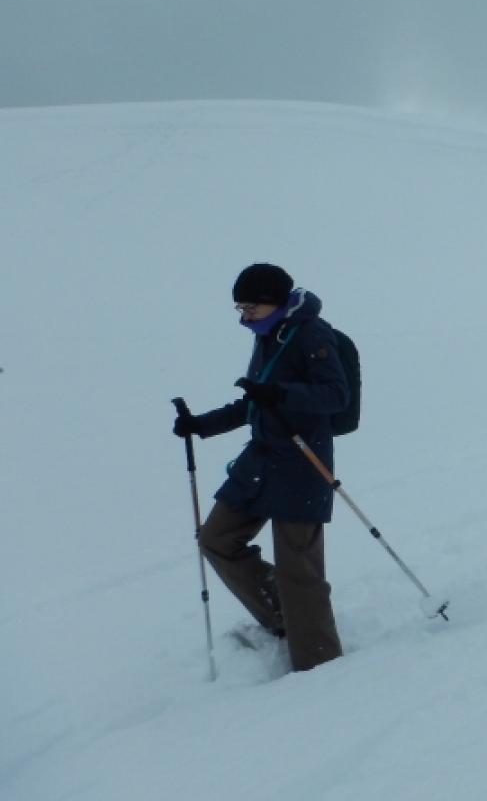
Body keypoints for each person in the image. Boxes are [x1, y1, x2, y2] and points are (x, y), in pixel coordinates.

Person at [170, 264, 349, 671]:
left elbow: (335, 395)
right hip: (261, 461)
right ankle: (285, 616)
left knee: (298, 570)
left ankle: (320, 664)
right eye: (240, 308)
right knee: (216, 539)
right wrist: (202, 425)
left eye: (250, 307)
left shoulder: (311, 334)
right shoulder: (269, 334)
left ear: (276, 301)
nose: (245, 315)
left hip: (303, 462)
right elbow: (256, 400)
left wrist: (280, 393)